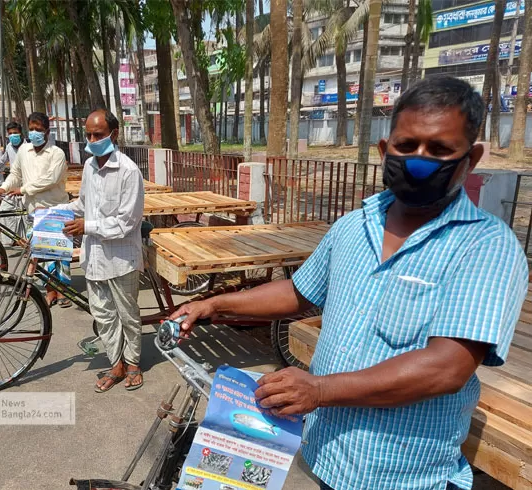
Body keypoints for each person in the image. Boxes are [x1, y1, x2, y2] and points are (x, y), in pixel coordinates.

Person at [171, 76, 529, 490]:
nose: (419, 160)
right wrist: (217, 305)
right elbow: (298, 292)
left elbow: (446, 367)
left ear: (472, 157)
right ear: (384, 150)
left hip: (405, 476)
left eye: (440, 149)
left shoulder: (486, 246)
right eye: (407, 145)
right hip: (330, 458)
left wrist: (319, 390)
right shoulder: (352, 227)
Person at [58, 109, 145, 393]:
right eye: (88, 135)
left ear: (114, 134)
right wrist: (55, 213)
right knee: (104, 316)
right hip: (93, 258)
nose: (93, 140)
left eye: (98, 134)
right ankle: (116, 363)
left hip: (121, 259)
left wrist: (87, 226)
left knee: (127, 314)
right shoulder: (89, 167)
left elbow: (126, 222)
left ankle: (133, 364)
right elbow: (83, 205)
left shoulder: (129, 171)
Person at [0, 113, 69, 306]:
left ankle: (63, 292)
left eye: (39, 130)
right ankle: (50, 291)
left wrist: (24, 189)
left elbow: (51, 179)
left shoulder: (56, 153)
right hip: (33, 210)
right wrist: (4, 187)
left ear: (47, 132)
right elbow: (15, 174)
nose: (34, 133)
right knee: (42, 255)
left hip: (55, 208)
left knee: (58, 255)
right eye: (32, 129)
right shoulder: (24, 151)